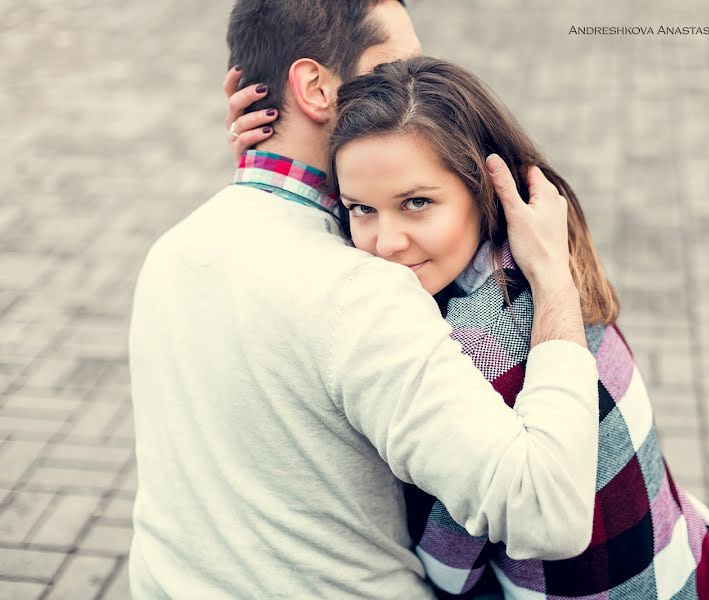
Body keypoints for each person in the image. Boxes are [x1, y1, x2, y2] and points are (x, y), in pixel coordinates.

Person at [129, 1, 603, 598]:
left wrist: (268, 168)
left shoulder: (176, 249)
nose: (419, 83)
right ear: (316, 87)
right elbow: (548, 512)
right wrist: (555, 278)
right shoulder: (363, 293)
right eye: (396, 65)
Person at [232, 56, 709, 598]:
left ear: (483, 189)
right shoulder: (536, 264)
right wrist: (265, 160)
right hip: (694, 562)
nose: (386, 243)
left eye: (417, 203)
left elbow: (450, 569)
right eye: (361, 209)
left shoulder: (474, 347)